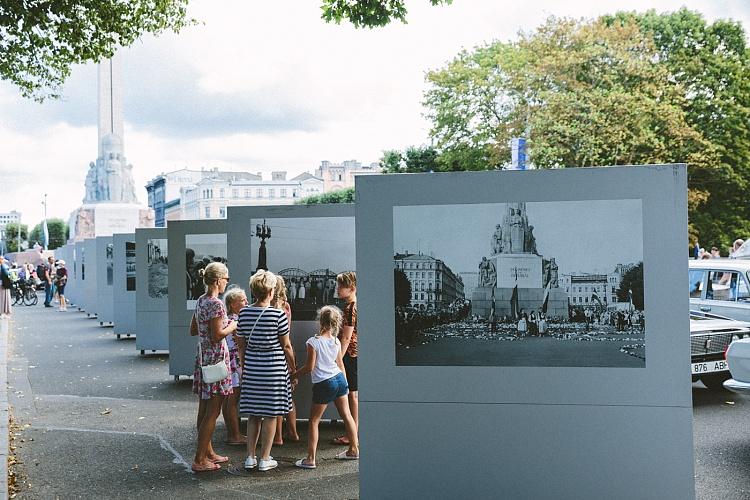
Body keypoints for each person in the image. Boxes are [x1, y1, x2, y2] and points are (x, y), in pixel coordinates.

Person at [237, 270, 296, 472]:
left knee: (253, 414)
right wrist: (293, 368)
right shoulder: (278, 315)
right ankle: (264, 458)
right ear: (271, 291)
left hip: (253, 367)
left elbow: (241, 346)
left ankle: (250, 457)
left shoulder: (243, 314)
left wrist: (245, 367)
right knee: (270, 414)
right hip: (274, 367)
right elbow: (286, 346)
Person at [294, 305, 359, 469]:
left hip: (324, 383)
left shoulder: (313, 342)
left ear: (320, 321)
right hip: (339, 379)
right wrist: (344, 382)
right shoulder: (336, 341)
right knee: (347, 416)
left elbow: (309, 367)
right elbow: (340, 364)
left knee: (314, 421)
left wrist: (293, 375)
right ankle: (353, 450)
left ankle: (310, 459)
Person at [189, 262, 237, 473]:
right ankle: (200, 459)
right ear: (218, 281)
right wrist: (233, 324)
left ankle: (208, 452)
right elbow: (218, 334)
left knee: (204, 408)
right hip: (216, 361)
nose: (227, 282)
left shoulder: (201, 300)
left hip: (203, 360)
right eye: (225, 279)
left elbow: (193, 329)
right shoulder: (217, 304)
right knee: (214, 410)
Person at [271, 275, 299, 445]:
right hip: (288, 350)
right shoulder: (286, 306)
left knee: (276, 397)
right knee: (288, 396)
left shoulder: (270, 308)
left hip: (275, 354)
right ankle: (293, 432)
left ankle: (278, 436)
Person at [332, 271, 358, 446]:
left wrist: (338, 359)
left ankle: (352, 434)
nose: (338, 289)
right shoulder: (356, 305)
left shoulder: (350, 308)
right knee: (353, 394)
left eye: (341, 286)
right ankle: (354, 432)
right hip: (356, 353)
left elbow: (346, 338)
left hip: (350, 354)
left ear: (352, 288)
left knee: (352, 395)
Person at [222, 287, 247, 446]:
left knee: (228, 401)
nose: (246, 302)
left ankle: (233, 432)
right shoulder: (235, 321)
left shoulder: (229, 319)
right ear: (232, 304)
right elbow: (239, 346)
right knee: (232, 400)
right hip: (235, 363)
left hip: (230, 361)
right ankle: (235, 435)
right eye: (243, 300)